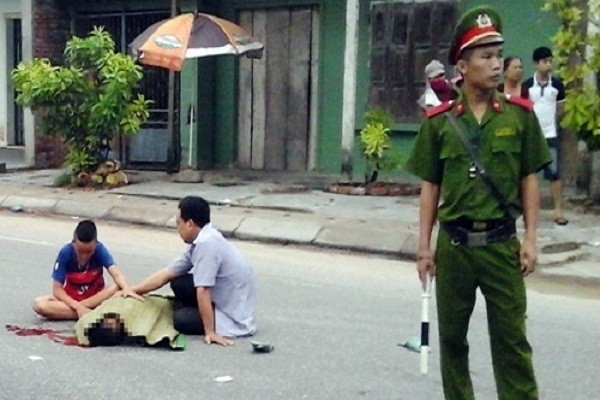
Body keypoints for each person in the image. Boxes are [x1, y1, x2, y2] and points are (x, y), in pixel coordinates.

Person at [405, 6, 551, 400]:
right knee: (452, 341)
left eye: (498, 55)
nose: (496, 65)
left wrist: (531, 238)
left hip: (502, 245)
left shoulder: (520, 119)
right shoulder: (440, 123)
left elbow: (529, 179)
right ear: (463, 66)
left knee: (511, 341)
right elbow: (430, 188)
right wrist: (423, 248)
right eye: (485, 57)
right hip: (453, 247)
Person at [119, 196, 256, 346]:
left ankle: (206, 319)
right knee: (178, 283)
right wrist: (132, 290)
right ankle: (196, 310)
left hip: (231, 313)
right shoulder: (200, 240)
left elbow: (203, 290)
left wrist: (210, 332)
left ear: (190, 224)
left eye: (179, 223)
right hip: (221, 295)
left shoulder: (207, 245)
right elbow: (168, 273)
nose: (177, 228)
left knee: (180, 320)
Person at [32, 220, 141, 320]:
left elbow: (117, 274)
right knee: (39, 304)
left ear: (96, 244)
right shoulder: (65, 253)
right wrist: (77, 306)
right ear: (73, 242)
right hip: (72, 298)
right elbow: (57, 290)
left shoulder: (100, 249)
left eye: (89, 252)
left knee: (117, 286)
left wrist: (126, 288)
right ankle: (92, 312)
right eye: (80, 251)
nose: (84, 256)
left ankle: (80, 312)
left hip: (96, 297)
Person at [524, 46, 568, 225]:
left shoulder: (557, 85)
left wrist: (552, 125)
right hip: (532, 136)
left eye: (550, 61)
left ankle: (558, 211)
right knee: (528, 174)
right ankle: (527, 211)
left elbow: (561, 110)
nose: (548, 65)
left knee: (554, 173)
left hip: (550, 135)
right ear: (536, 64)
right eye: (545, 61)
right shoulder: (527, 86)